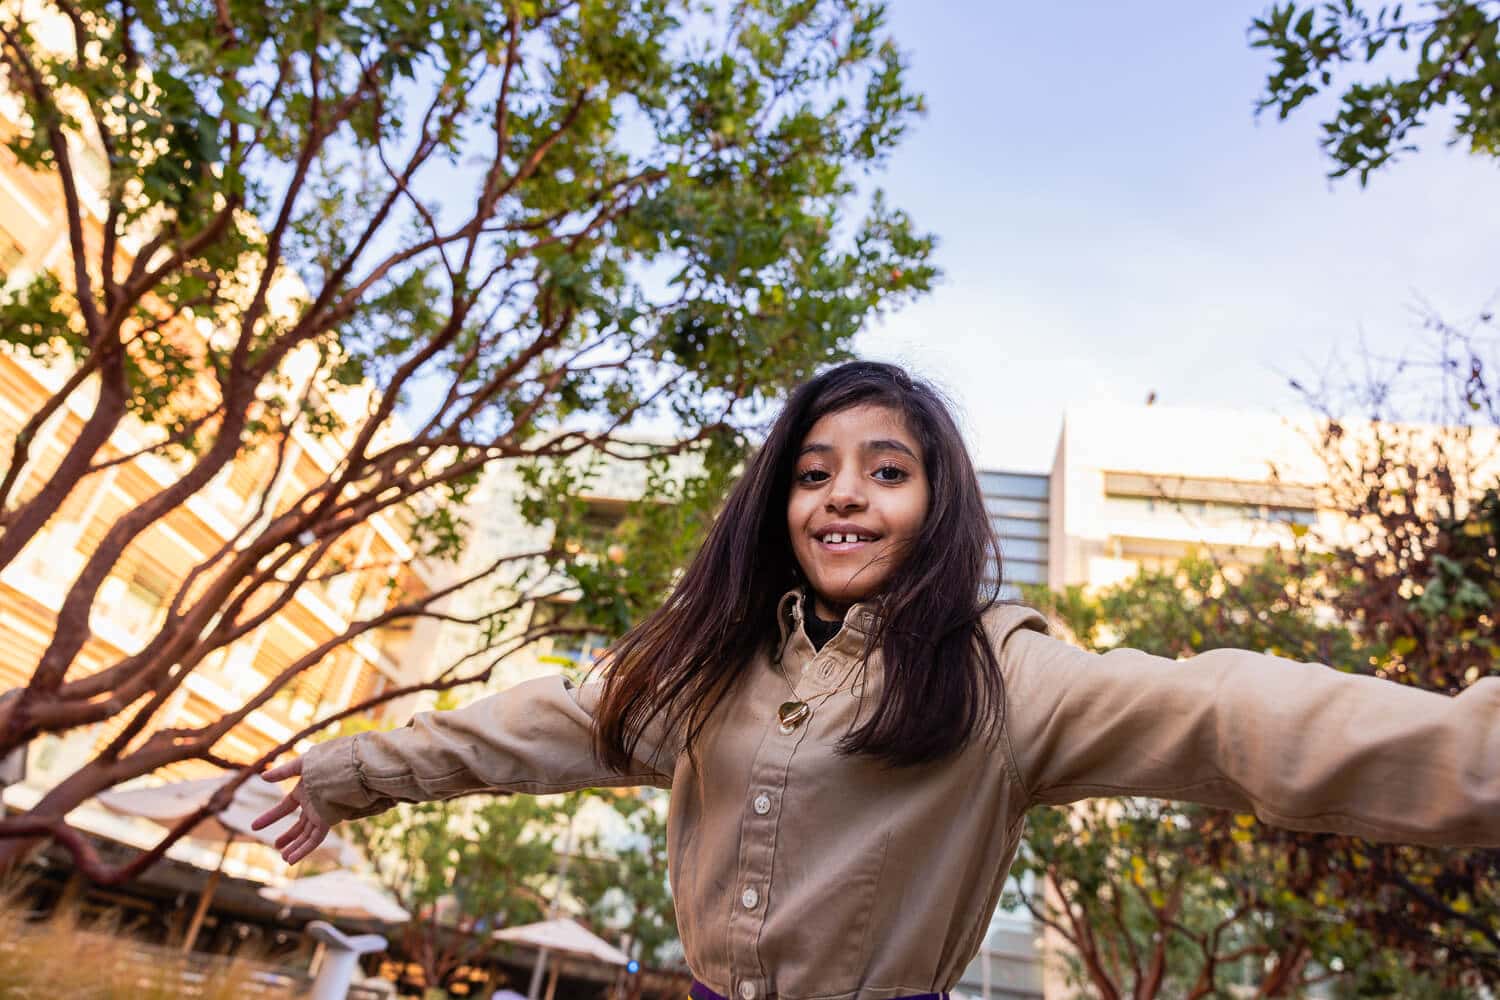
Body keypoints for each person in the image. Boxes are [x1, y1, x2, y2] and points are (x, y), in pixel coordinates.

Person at [254, 360, 1500, 1000]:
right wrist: (347, 771)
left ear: (936, 502)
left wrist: (1471, 754)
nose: (843, 492)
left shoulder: (1006, 677)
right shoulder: (704, 665)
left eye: (885, 469)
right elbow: (549, 718)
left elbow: (1228, 713)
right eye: (814, 471)